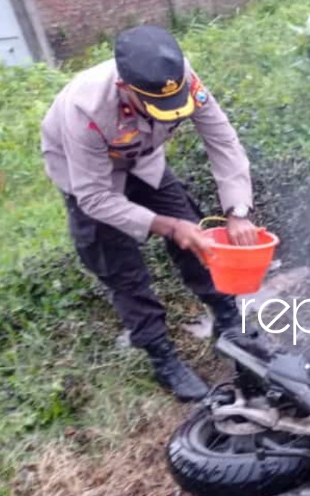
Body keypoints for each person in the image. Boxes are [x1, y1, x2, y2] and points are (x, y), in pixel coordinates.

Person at [41, 24, 257, 401]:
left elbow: (222, 140)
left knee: (198, 235)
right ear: (127, 89)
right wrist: (168, 227)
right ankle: (163, 358)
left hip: (143, 162)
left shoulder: (180, 77)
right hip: (88, 177)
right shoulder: (85, 109)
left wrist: (238, 210)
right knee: (122, 270)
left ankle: (227, 320)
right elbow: (93, 196)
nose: (171, 113)